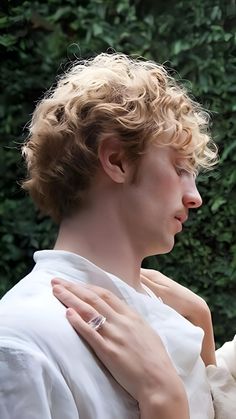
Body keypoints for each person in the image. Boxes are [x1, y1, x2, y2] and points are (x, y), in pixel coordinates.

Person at [0, 52, 219, 418]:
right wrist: (164, 402)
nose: (195, 197)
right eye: (180, 168)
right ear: (116, 161)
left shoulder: (181, 318)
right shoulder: (21, 345)